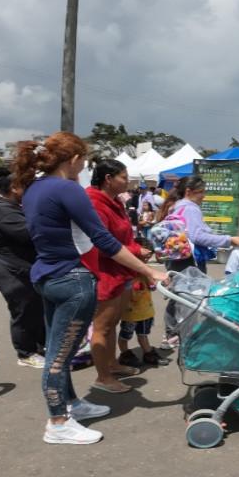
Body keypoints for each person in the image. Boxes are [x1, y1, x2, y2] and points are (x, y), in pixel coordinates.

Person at [12, 132, 167, 445]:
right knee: (58, 358)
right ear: (73, 160)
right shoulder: (68, 189)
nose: (84, 166)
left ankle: (71, 405)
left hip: (46, 276)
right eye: (83, 160)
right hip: (72, 280)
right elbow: (105, 241)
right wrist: (150, 271)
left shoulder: (32, 189)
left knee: (61, 354)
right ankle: (57, 423)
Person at [79, 159, 147, 393]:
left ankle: (112, 364)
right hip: (105, 271)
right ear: (108, 179)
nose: (127, 182)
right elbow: (104, 242)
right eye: (124, 177)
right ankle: (103, 377)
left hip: (121, 270)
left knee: (113, 323)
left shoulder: (114, 201)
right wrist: (137, 252)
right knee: (102, 327)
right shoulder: (94, 203)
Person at [161, 175, 239, 349]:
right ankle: (179, 335)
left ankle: (172, 334)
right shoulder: (190, 208)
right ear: (189, 191)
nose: (204, 196)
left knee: (177, 295)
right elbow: (197, 236)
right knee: (189, 297)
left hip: (178, 258)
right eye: (201, 192)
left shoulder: (176, 207)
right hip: (189, 260)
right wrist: (228, 240)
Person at [0, 169, 46, 368]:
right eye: (25, 186)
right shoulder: (1, 209)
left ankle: (36, 346)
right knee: (23, 312)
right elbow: (29, 233)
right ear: (14, 188)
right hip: (12, 271)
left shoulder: (8, 206)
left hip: (21, 268)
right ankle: (25, 354)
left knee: (34, 310)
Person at [118, 244, 167, 368]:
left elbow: (153, 285)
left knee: (143, 334)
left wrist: (152, 277)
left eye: (148, 257)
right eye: (144, 257)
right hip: (130, 312)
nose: (146, 260)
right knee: (125, 335)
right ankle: (125, 354)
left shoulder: (146, 270)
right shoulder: (126, 270)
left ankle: (148, 353)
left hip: (145, 310)